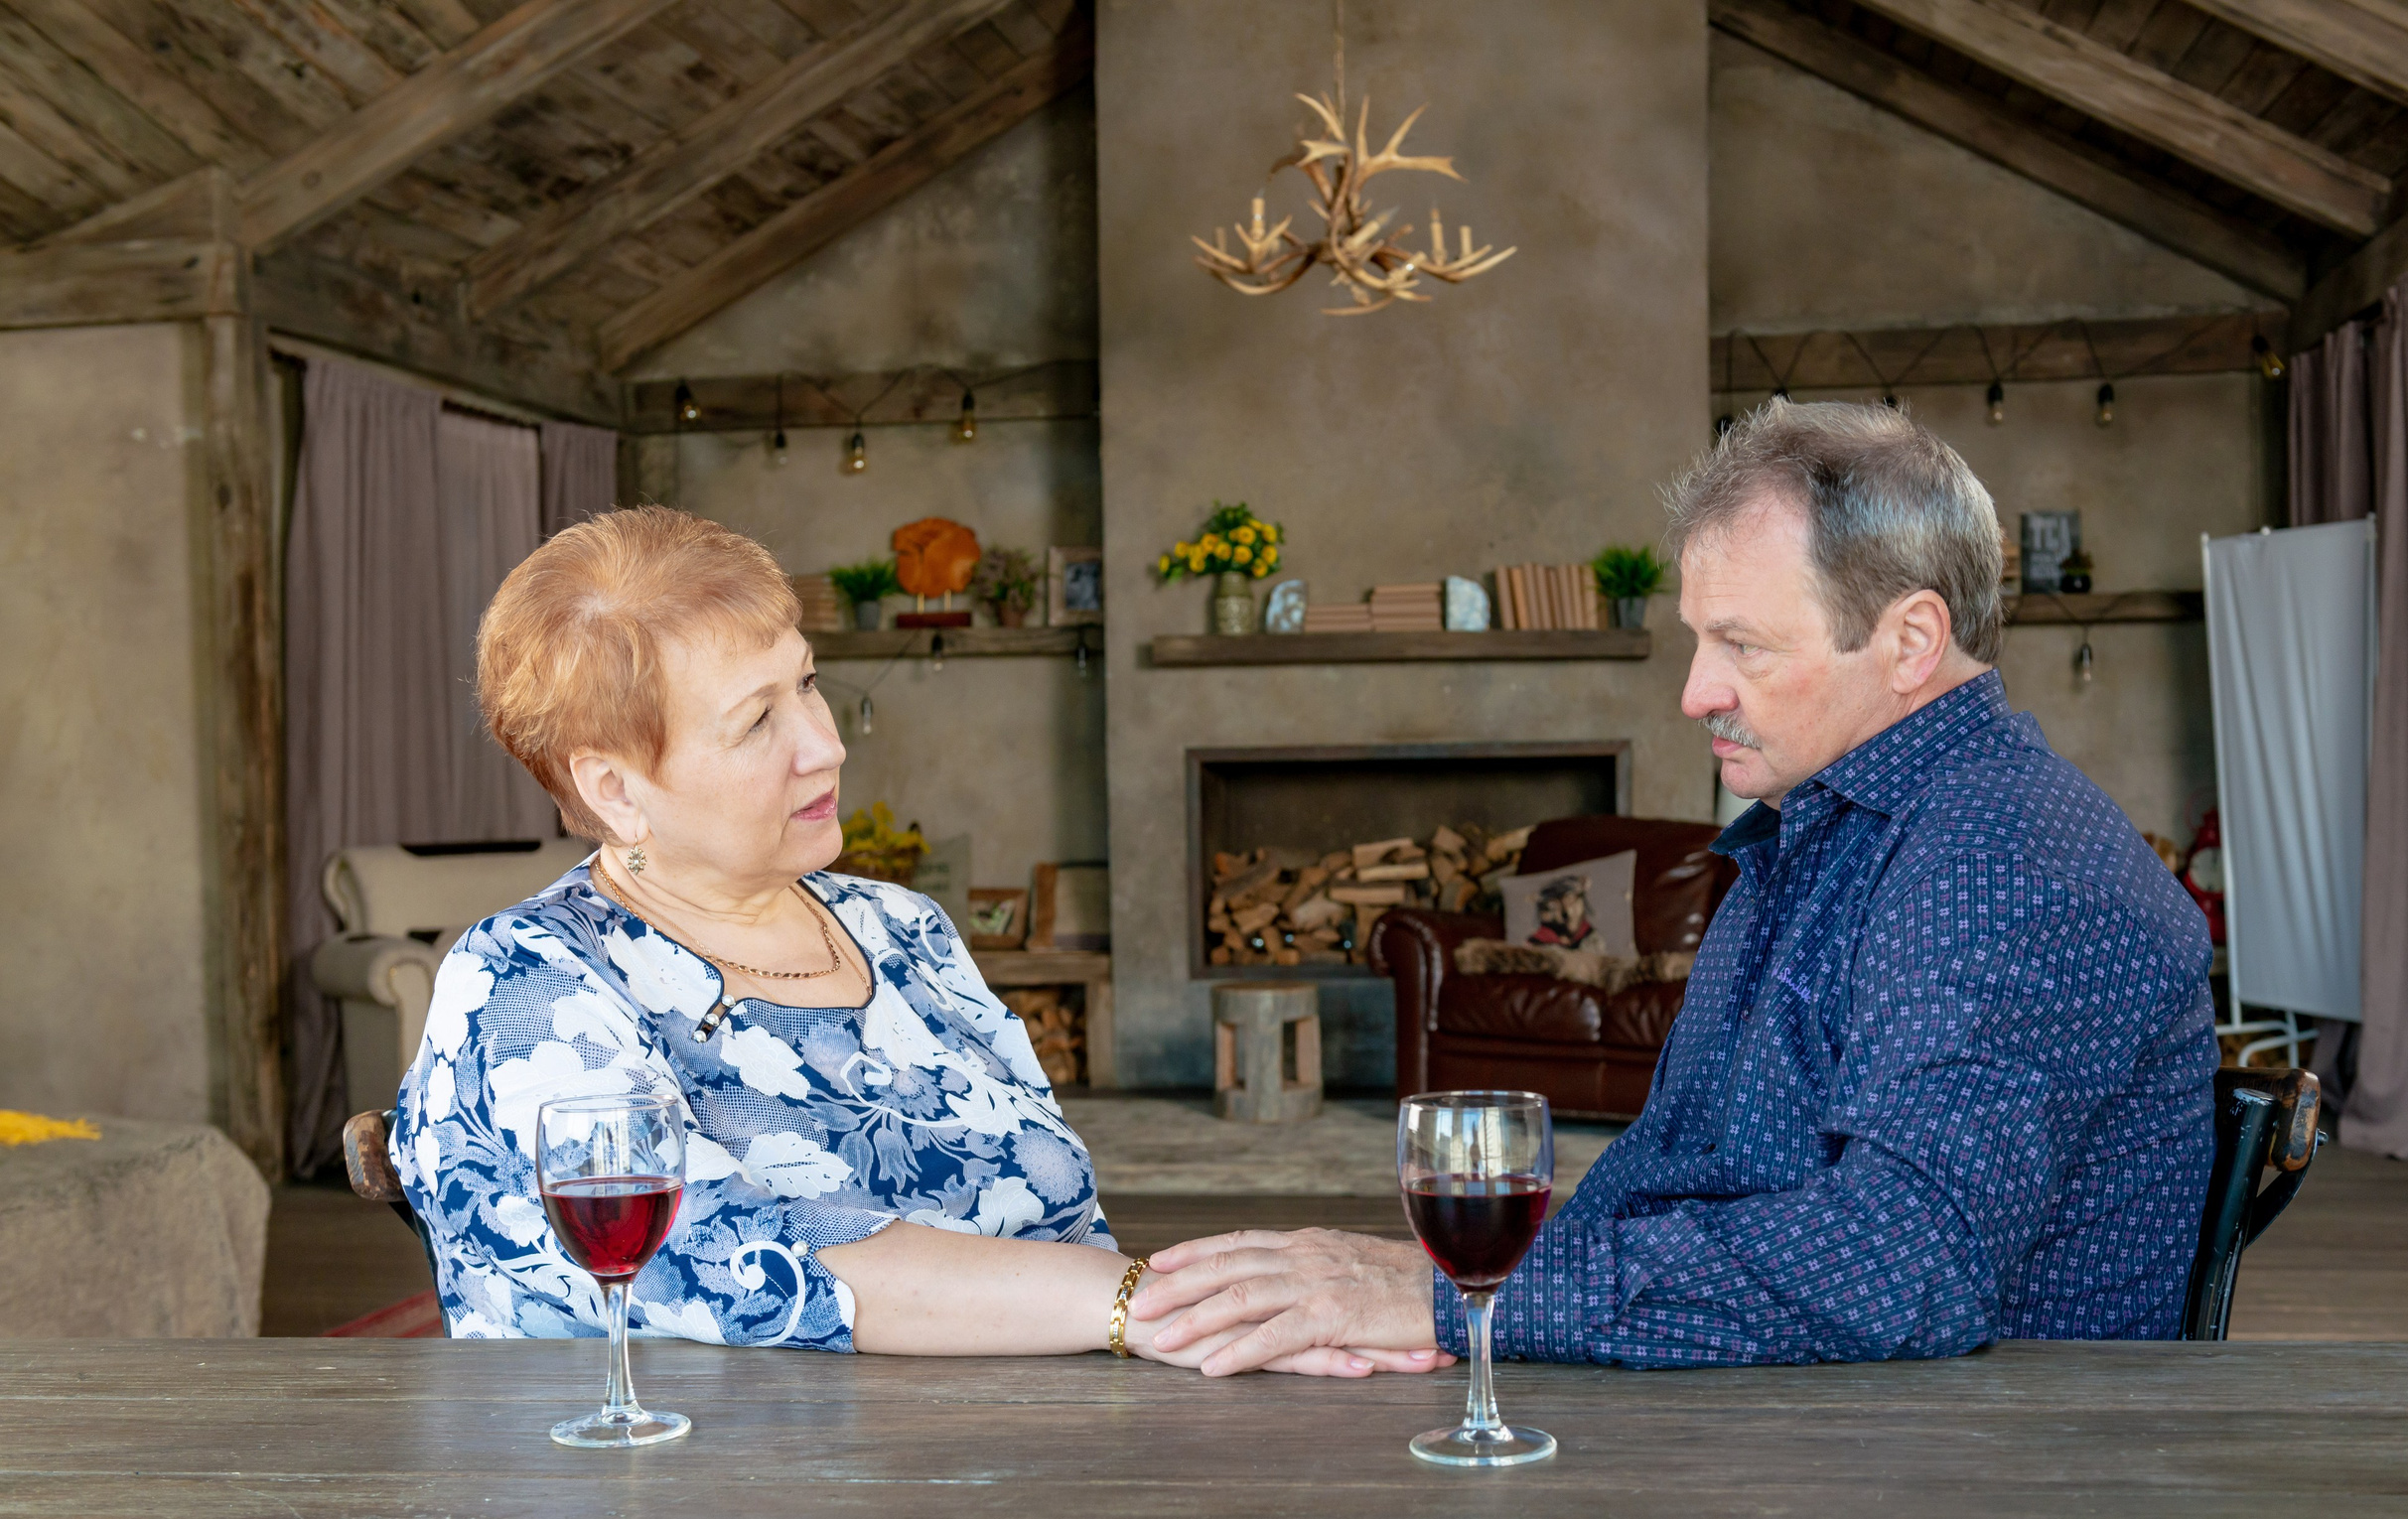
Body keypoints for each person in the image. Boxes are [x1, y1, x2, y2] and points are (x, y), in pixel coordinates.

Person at [1133, 400, 2219, 1370]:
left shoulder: (2002, 857)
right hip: (1814, 1414)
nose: (1697, 692)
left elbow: (1904, 1260)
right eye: (1700, 641)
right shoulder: (1826, 827)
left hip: (1964, 1468)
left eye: (1743, 646)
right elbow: (1674, 1167)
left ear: (1911, 641)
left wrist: (1449, 1300)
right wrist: (1444, 1292)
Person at [391, 507, 1433, 1374]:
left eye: (808, 682)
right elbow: (731, 1260)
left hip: (1033, 1458)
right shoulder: (527, 984)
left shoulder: (901, 929)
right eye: (756, 721)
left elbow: (1062, 1218)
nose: (826, 744)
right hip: (692, 1517)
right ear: (614, 789)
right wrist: (1153, 1308)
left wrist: (1230, 1317)